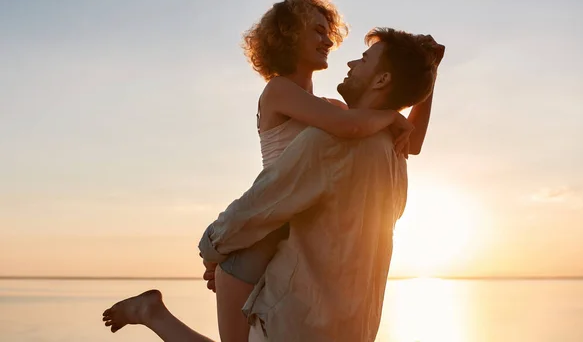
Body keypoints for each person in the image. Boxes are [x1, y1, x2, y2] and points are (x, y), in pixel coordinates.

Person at [102, 27, 444, 341]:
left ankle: (152, 313)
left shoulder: (335, 142)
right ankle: (152, 313)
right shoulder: (394, 152)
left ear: (382, 79)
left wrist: (213, 252)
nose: (352, 62)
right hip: (347, 327)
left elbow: (257, 205)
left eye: (365, 59)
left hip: (300, 324)